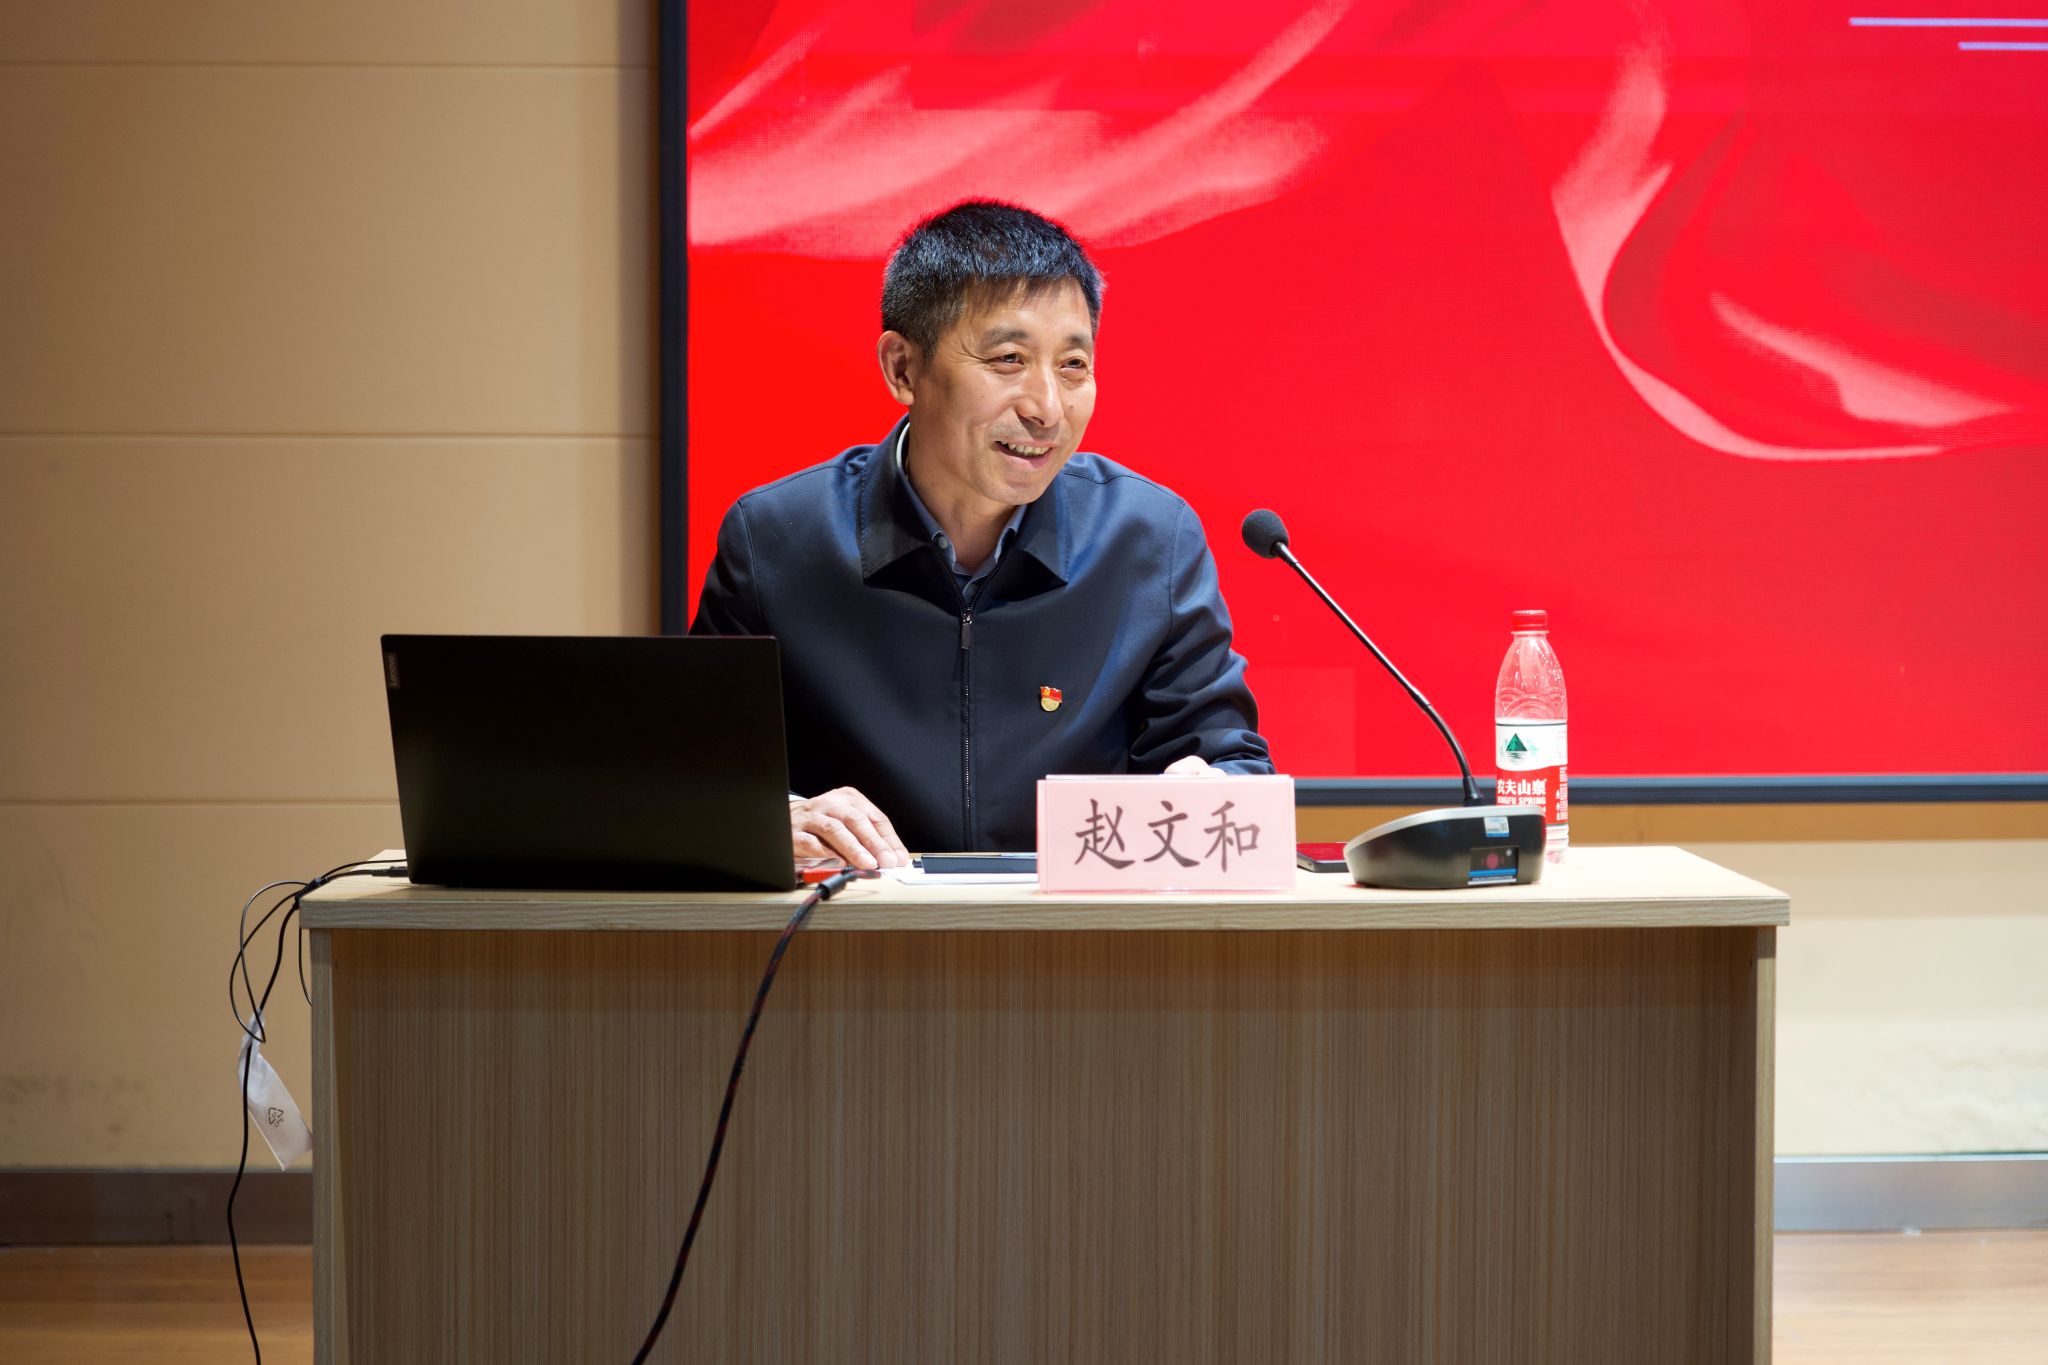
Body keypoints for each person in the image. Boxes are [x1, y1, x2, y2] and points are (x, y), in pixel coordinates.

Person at [692, 201, 1270, 865]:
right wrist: (772, 818)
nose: (1046, 407)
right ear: (902, 368)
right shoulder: (775, 541)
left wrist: (1214, 789)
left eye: (1073, 365)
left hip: (1075, 926)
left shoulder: (1149, 540)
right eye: (1008, 358)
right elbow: (693, 787)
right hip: (851, 922)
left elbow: (1230, 763)